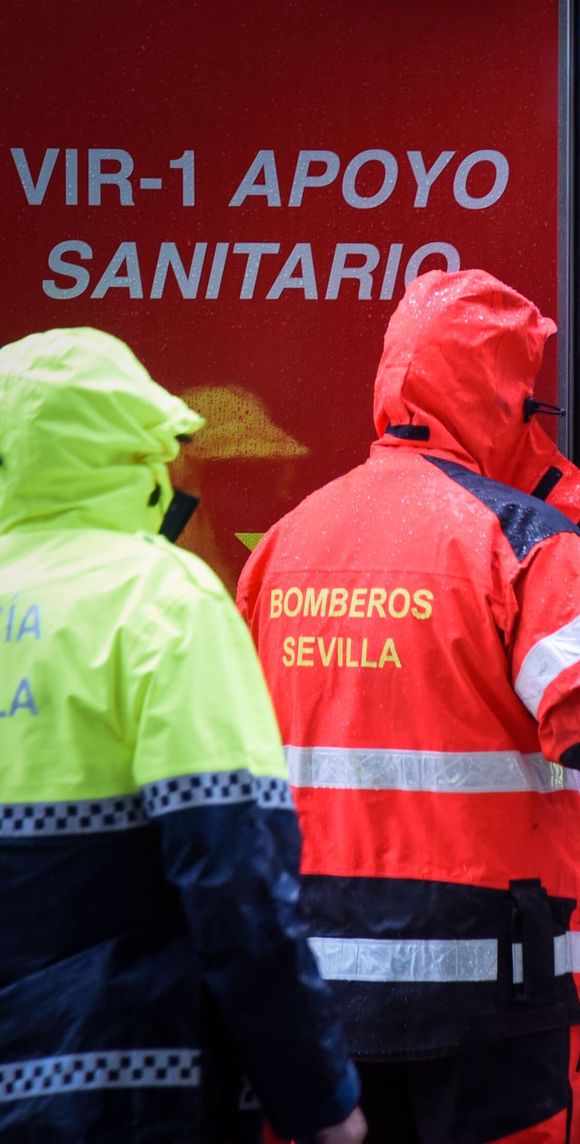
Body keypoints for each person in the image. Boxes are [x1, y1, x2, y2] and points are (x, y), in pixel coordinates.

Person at [235, 269, 580, 1143]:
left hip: (318, 985)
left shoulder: (286, 542)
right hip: (495, 988)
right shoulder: (525, 541)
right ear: (497, 396)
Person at [0, 329, 365, 1143]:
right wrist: (318, 1096)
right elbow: (235, 875)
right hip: (126, 1087)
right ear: (145, 449)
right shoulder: (165, 603)